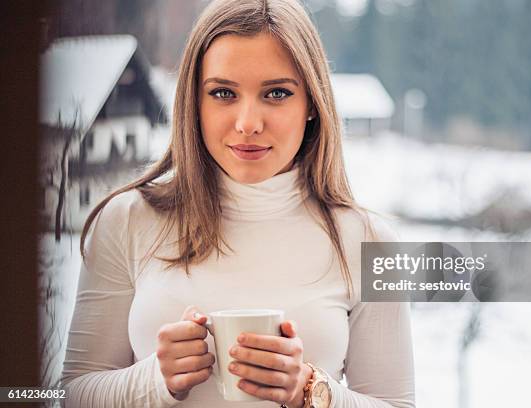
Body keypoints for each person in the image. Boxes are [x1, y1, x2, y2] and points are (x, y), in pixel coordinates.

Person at [60, 0, 415, 407]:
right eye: (223, 93)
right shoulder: (126, 221)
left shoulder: (370, 241)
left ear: (313, 104)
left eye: (276, 93)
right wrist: (154, 381)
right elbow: (70, 395)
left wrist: (311, 390)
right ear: (194, 102)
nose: (247, 123)